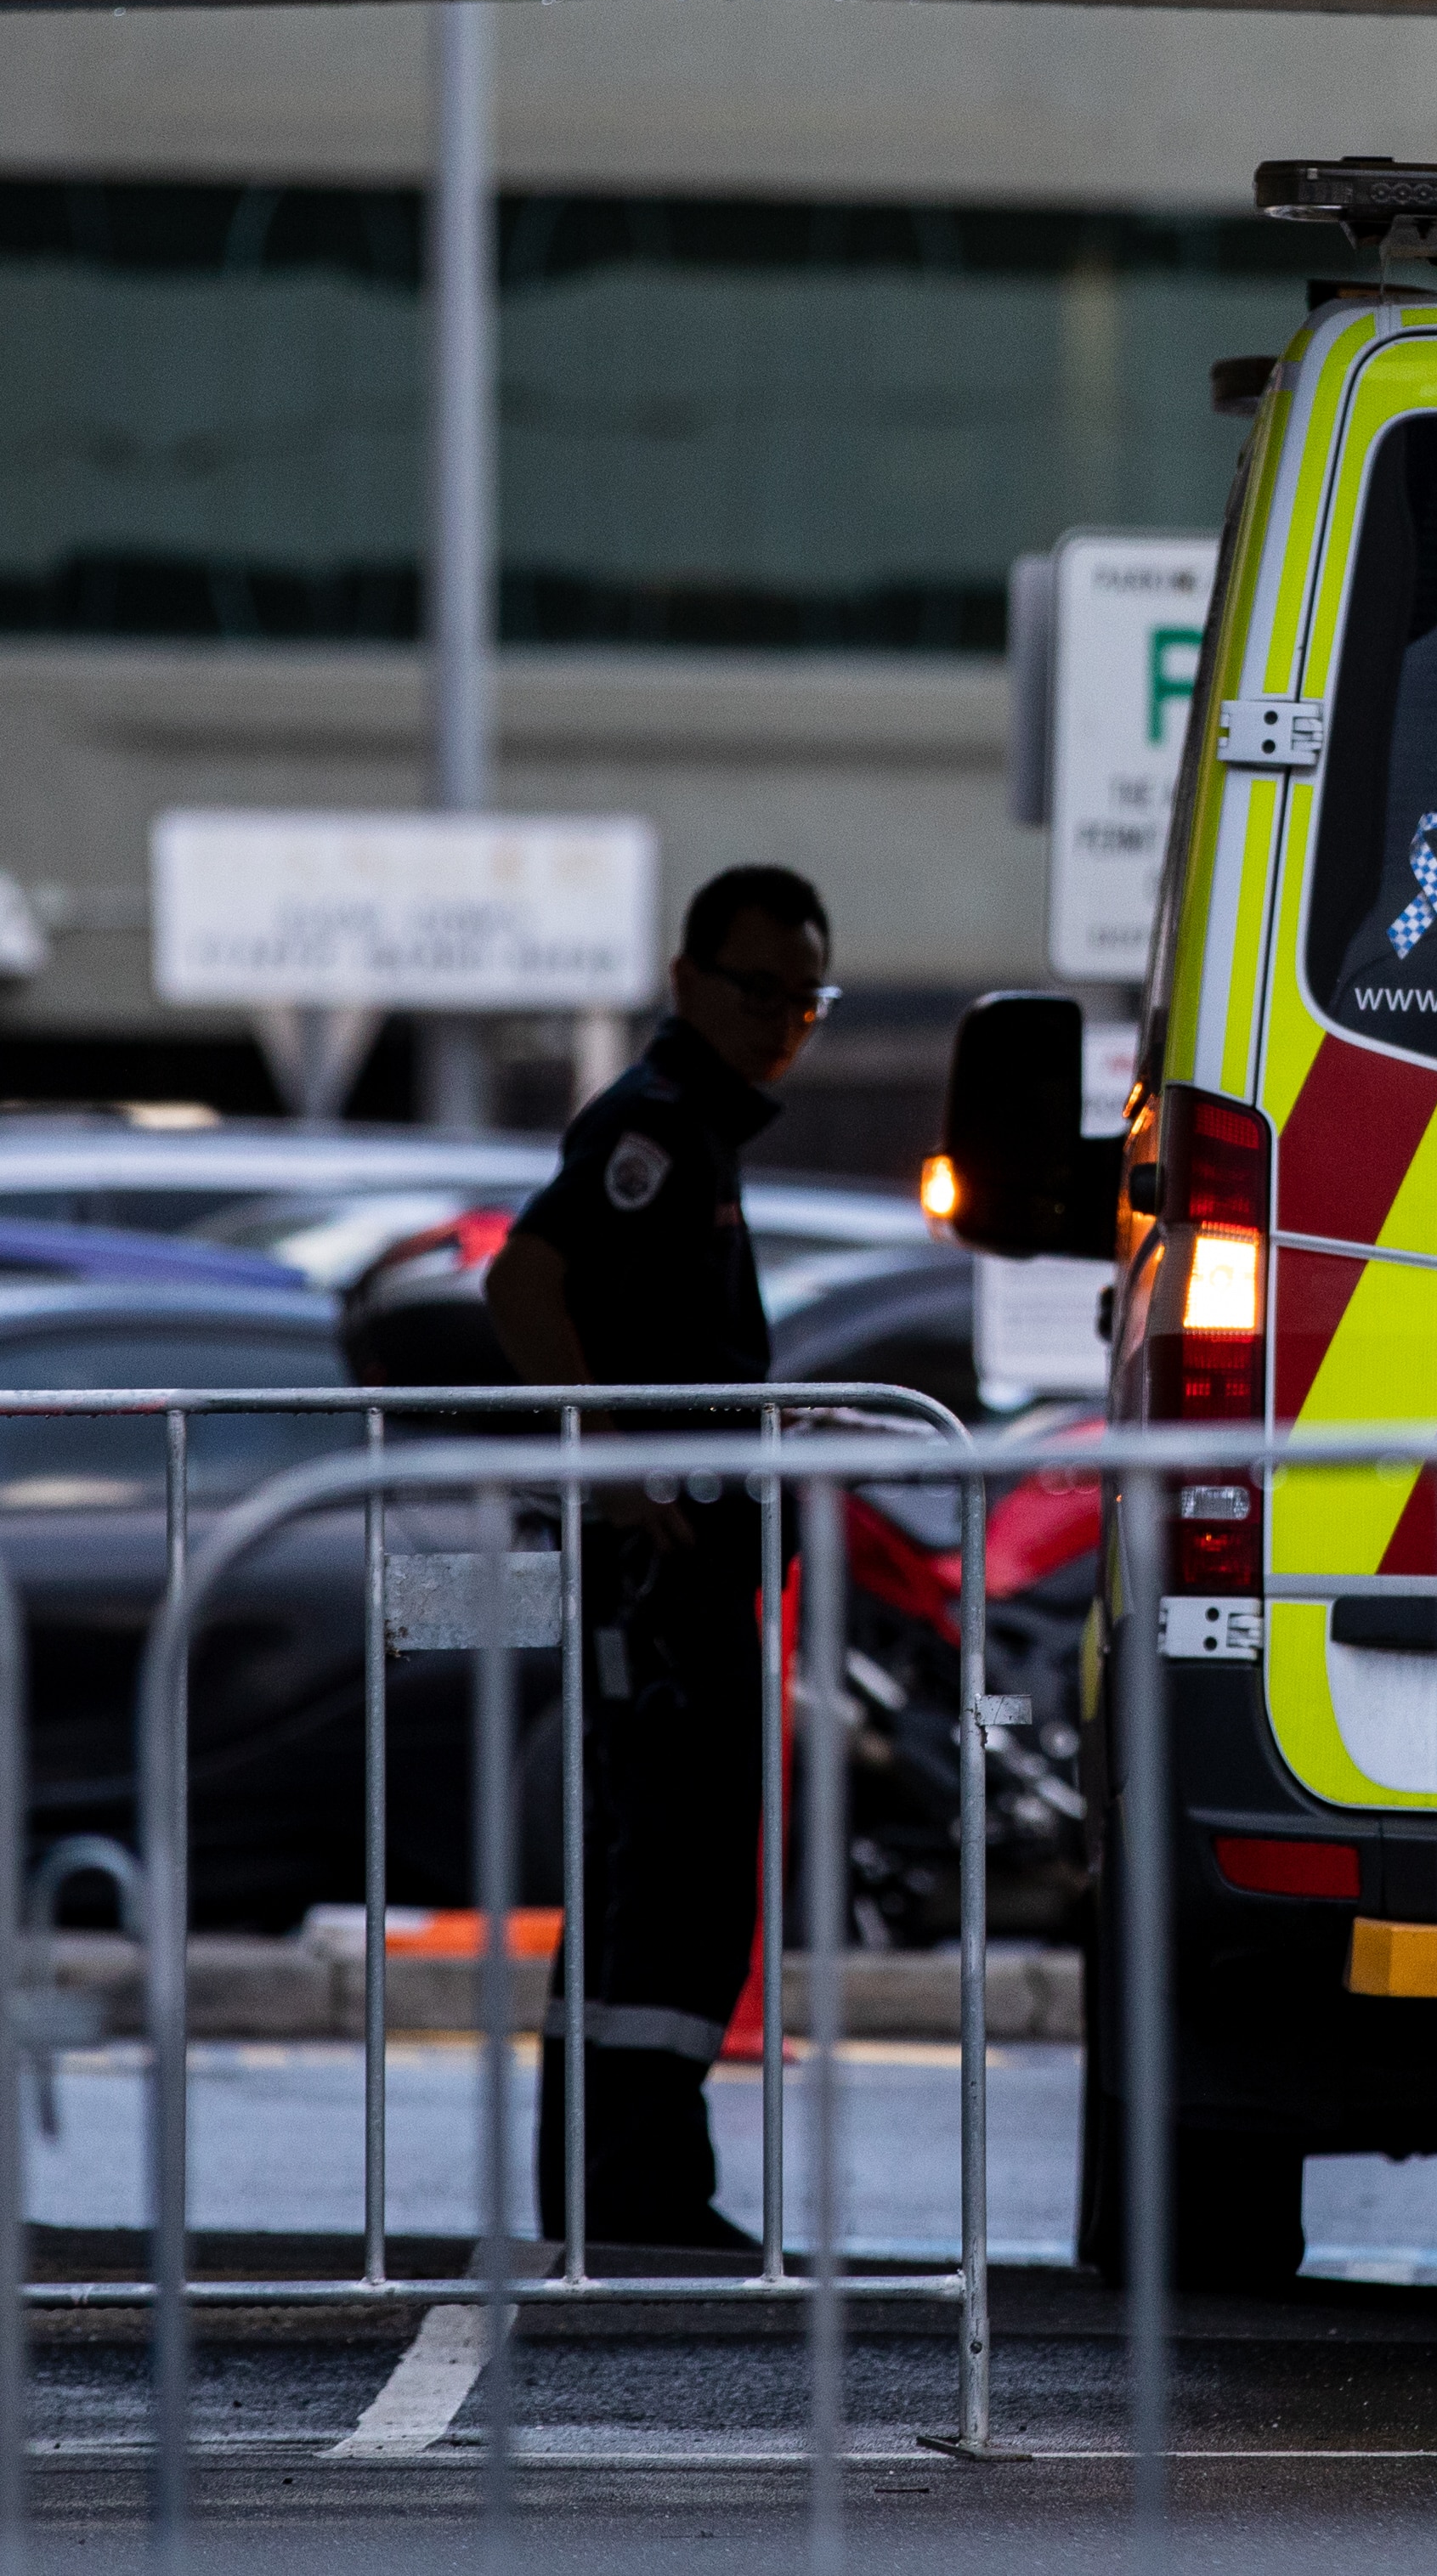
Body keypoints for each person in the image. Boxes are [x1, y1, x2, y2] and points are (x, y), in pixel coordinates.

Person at [486, 862, 836, 2247]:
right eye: (760, 988)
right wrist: (618, 1470)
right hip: (659, 1573)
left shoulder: (698, 1133)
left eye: (808, 997)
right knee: (667, 1873)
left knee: (669, 1874)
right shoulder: (655, 1130)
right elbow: (523, 1282)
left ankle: (630, 2182)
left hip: (690, 1560)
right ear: (685, 979)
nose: (785, 1020)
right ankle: (631, 2191)